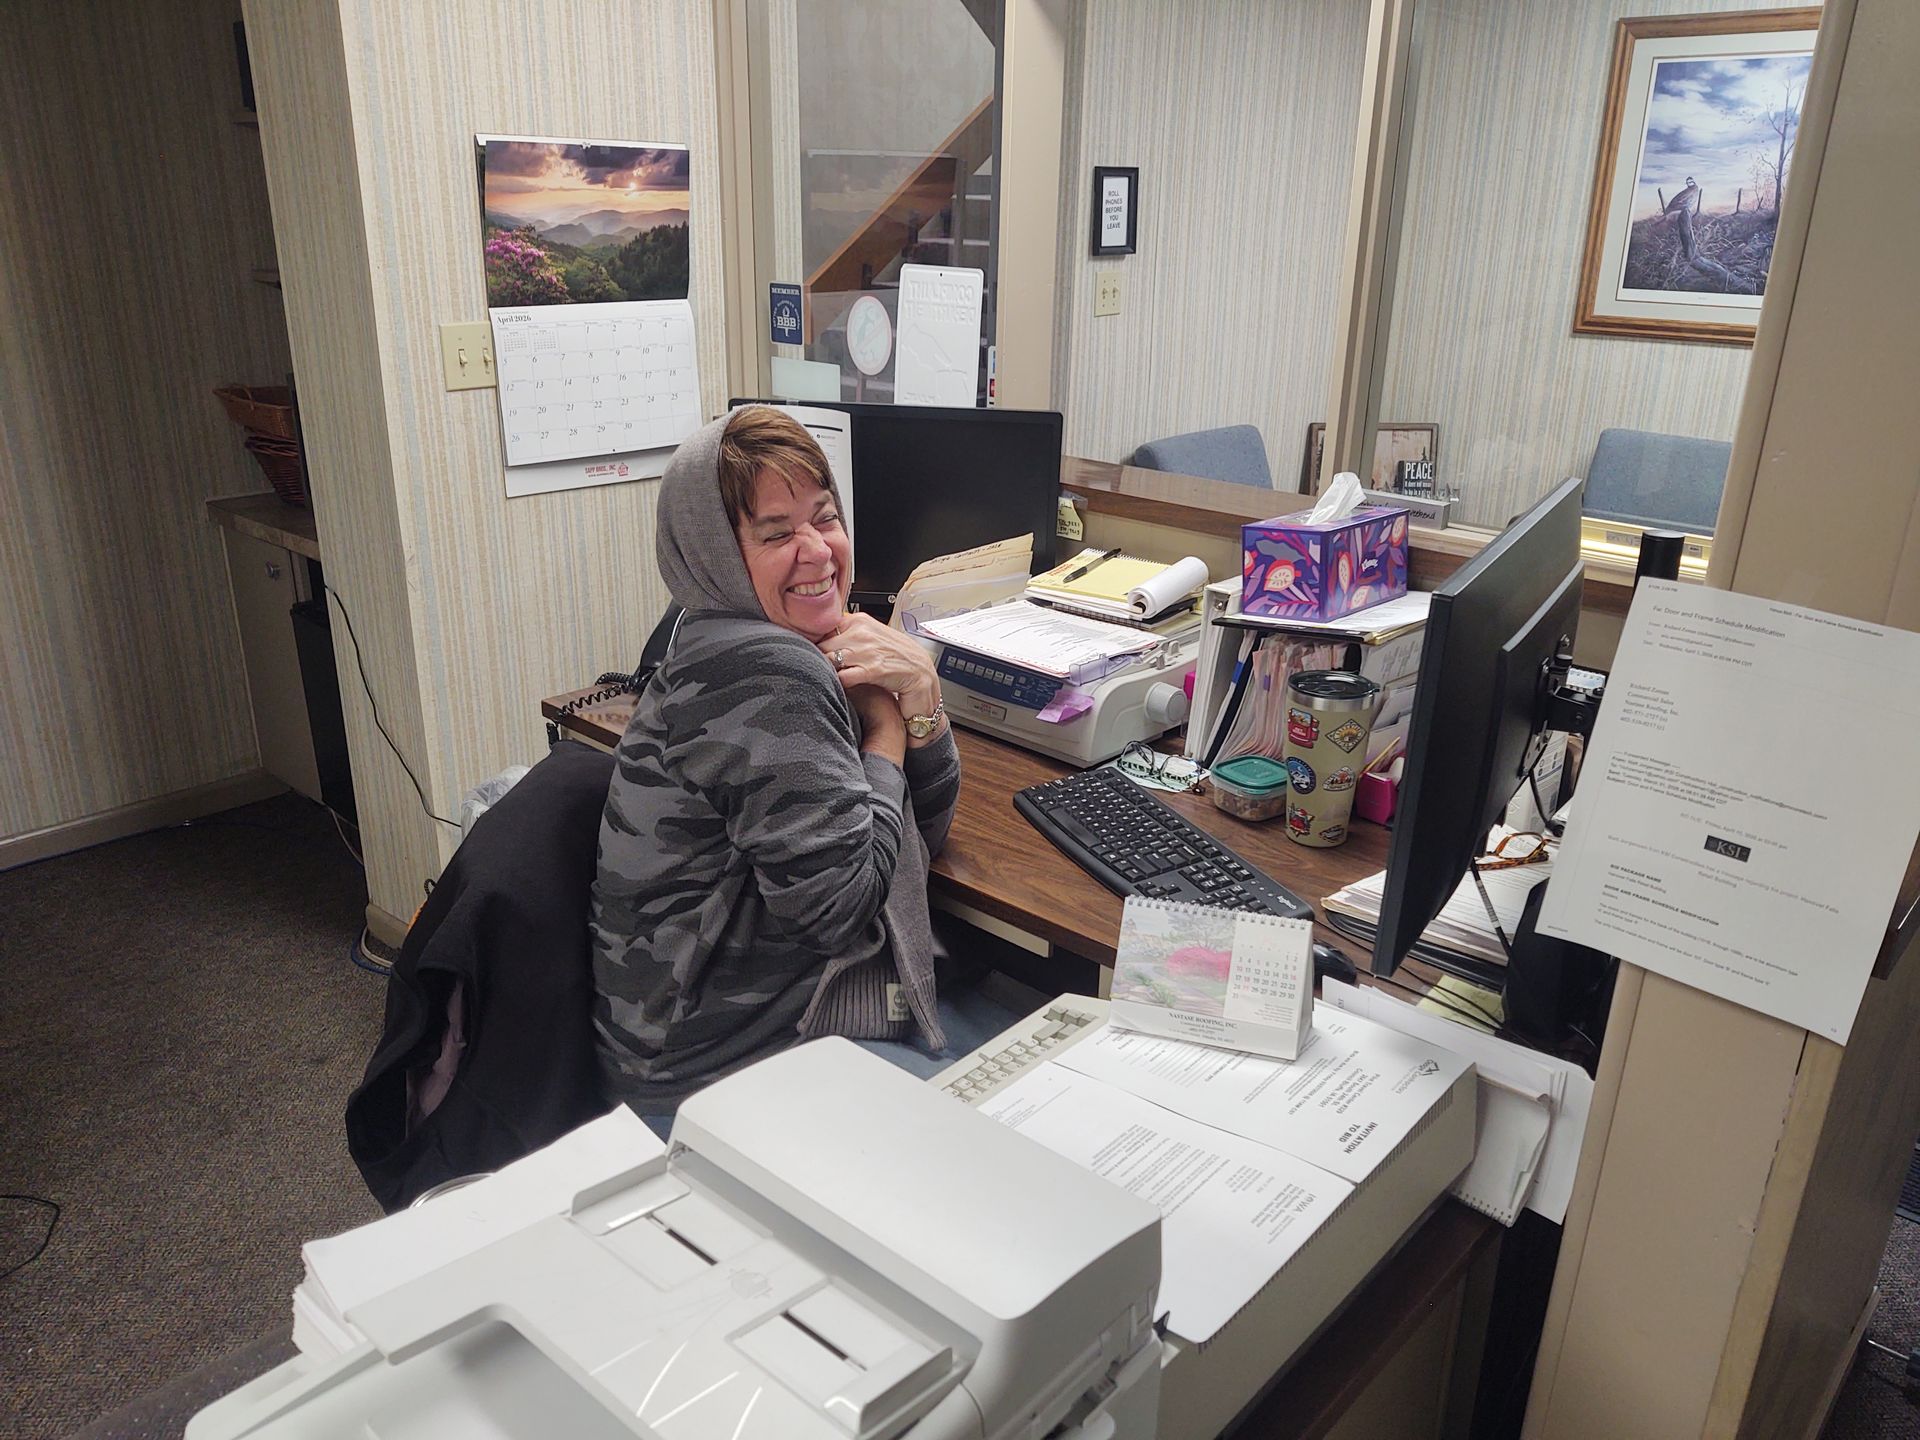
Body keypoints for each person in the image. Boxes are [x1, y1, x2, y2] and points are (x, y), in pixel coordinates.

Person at [589, 406, 965, 1121]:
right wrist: (886, 731)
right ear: (716, 555)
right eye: (775, 533)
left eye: (824, 517)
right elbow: (840, 909)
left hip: (684, 1041)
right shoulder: (765, 671)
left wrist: (920, 696)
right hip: (721, 1074)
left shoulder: (714, 631)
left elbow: (919, 831)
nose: (819, 551)